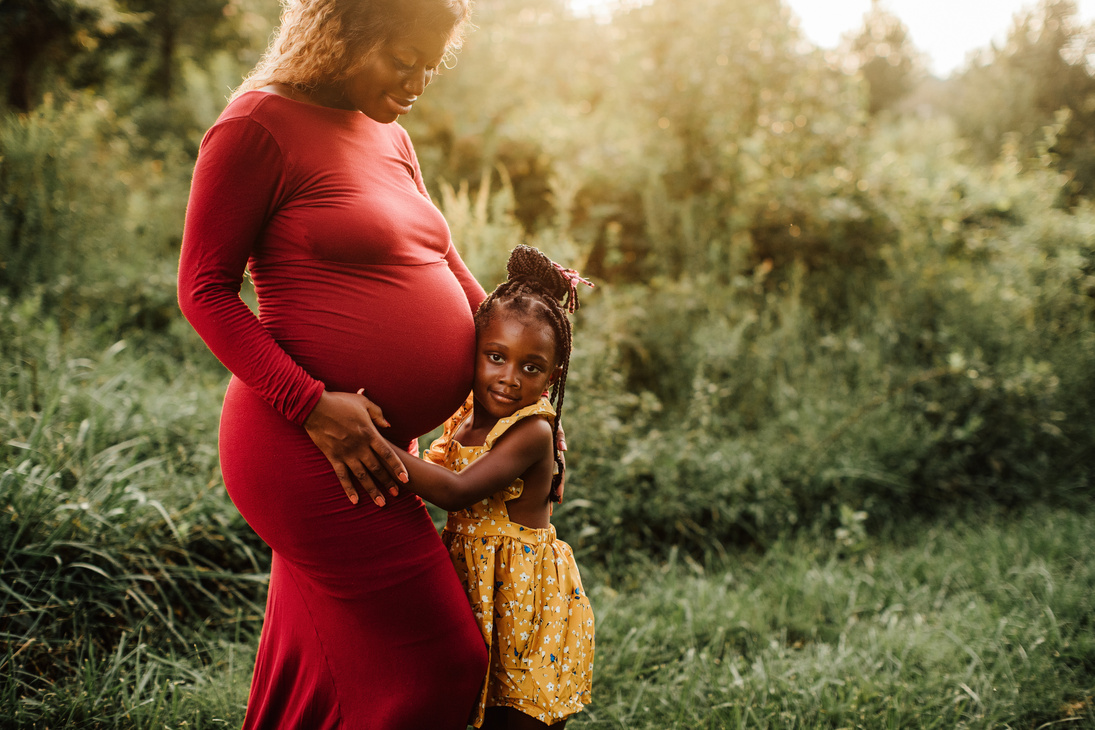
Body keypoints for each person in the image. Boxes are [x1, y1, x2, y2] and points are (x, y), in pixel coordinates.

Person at [177, 0, 492, 727]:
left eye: (430, 64)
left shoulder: (389, 135)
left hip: (380, 447)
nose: (417, 80)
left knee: (321, 663)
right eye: (402, 58)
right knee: (444, 661)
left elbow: (447, 265)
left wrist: (521, 403)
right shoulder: (254, 127)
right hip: (307, 446)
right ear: (342, 34)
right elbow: (203, 290)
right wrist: (311, 404)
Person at [386, 245, 595, 729]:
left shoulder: (532, 431)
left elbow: (455, 491)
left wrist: (373, 444)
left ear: (552, 375)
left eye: (531, 367)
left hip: (525, 600)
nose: (509, 378)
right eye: (496, 357)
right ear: (475, 351)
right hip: (476, 588)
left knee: (518, 716)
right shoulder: (465, 415)